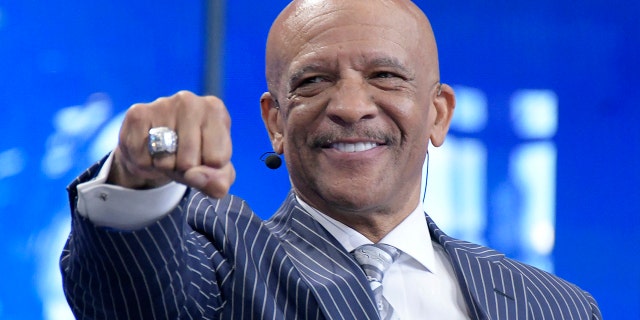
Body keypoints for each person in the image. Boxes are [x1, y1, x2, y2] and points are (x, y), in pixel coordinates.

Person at [60, 0, 601, 319]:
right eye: (314, 82)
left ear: (438, 114)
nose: (348, 107)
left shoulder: (554, 305)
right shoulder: (218, 258)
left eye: (385, 76)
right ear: (275, 120)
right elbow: (130, 291)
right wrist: (137, 177)